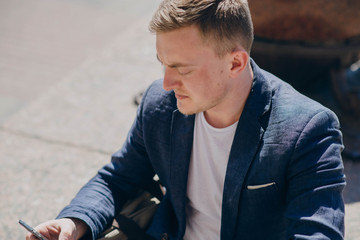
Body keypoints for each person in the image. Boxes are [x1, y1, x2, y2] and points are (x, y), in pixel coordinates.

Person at [26, 0, 346, 239]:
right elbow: (118, 179)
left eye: (183, 68)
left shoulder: (307, 128)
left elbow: (318, 234)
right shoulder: (160, 103)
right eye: (163, 63)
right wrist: (74, 222)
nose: (166, 83)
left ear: (235, 63)